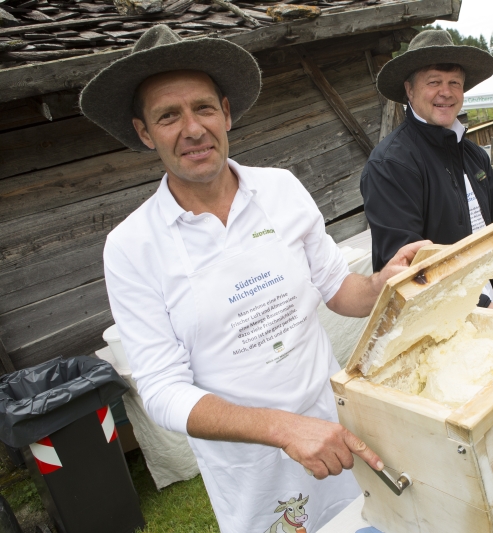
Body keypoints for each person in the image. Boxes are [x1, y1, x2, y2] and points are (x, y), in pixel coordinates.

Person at [79, 25, 429, 533]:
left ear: (225, 110)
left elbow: (337, 288)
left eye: (202, 107)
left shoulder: (280, 189)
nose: (192, 129)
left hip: (337, 427)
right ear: (143, 132)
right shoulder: (133, 246)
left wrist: (384, 284)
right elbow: (161, 389)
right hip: (253, 475)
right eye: (168, 116)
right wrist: (283, 429)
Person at [361, 29, 493, 313]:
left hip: (482, 305)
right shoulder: (391, 164)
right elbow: (409, 265)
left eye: (454, 82)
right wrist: (481, 304)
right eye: (434, 82)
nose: (446, 92)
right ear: (409, 90)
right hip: (429, 320)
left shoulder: (473, 155)